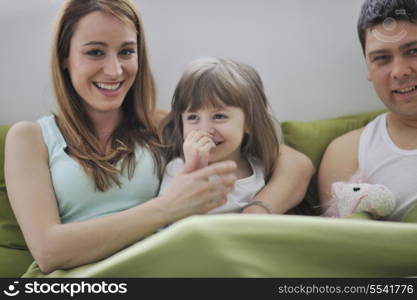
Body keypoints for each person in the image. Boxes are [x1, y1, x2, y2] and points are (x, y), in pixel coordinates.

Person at [4, 0, 313, 275]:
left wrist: (257, 212)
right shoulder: (29, 138)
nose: (114, 70)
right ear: (64, 58)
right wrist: (167, 207)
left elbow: (295, 163)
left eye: (126, 52)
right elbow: (48, 251)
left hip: (161, 269)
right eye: (95, 52)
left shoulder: (156, 123)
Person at [319, 0, 417, 221]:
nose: (400, 72)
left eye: (413, 51)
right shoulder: (347, 152)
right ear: (368, 68)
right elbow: (341, 247)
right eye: (382, 58)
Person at [159, 57, 280, 214]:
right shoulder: (178, 170)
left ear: (249, 123)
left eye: (219, 116)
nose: (204, 130)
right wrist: (196, 171)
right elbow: (175, 229)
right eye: (193, 117)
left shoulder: (261, 169)